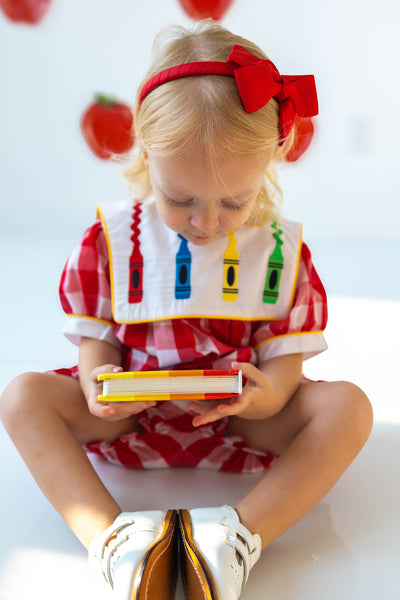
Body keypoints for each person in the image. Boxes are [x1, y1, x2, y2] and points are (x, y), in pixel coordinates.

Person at [0, 19, 373, 600]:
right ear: (147, 156)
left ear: (271, 160)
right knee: (22, 396)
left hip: (242, 422)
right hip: (130, 418)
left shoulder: (278, 251)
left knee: (350, 408)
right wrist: (101, 382)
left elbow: (285, 361)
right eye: (180, 200)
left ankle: (236, 538)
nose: (206, 222)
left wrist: (266, 395)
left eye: (233, 201)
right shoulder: (114, 240)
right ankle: (115, 541)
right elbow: (97, 338)